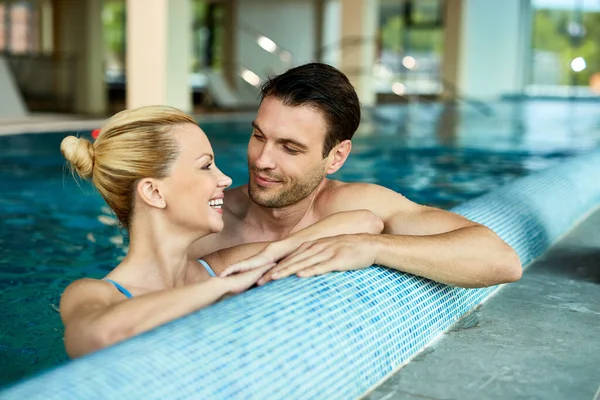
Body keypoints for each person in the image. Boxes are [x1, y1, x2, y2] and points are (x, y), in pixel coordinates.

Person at [59, 105, 383, 358]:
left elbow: (365, 222)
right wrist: (222, 289)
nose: (225, 179)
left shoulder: (220, 265)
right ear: (154, 193)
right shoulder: (91, 294)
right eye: (205, 166)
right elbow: (99, 337)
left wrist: (275, 250)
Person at [191, 63, 523, 288]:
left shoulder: (351, 206)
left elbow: (501, 260)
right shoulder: (205, 220)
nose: (263, 160)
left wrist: (371, 247)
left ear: (336, 157)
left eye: (289, 149)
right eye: (259, 136)